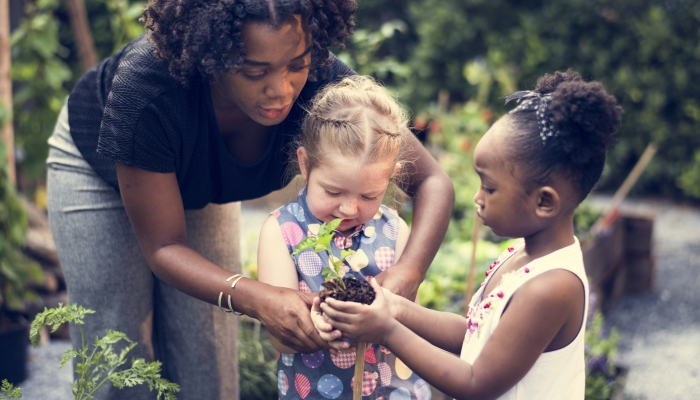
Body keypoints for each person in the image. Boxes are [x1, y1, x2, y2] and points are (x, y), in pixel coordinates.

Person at [46, 0, 454, 398]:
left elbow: (433, 181)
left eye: (297, 64)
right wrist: (258, 297)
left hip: (202, 185)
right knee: (118, 353)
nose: (282, 90)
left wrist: (408, 272)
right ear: (213, 56)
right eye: (254, 70)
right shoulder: (147, 91)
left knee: (206, 358)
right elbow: (165, 247)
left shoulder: (322, 86)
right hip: (97, 171)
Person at [314, 70, 623, 399]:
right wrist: (395, 307)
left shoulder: (550, 287)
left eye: (489, 187)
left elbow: (477, 382)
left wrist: (388, 331)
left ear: (544, 201)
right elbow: (473, 335)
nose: (477, 197)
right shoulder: (523, 255)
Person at [258, 76, 429, 399]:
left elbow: (411, 320)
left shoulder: (395, 231)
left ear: (391, 178)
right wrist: (315, 327)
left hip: (391, 390)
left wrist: (387, 316)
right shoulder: (282, 232)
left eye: (369, 195)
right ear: (305, 165)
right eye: (333, 191)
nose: (349, 208)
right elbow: (279, 336)